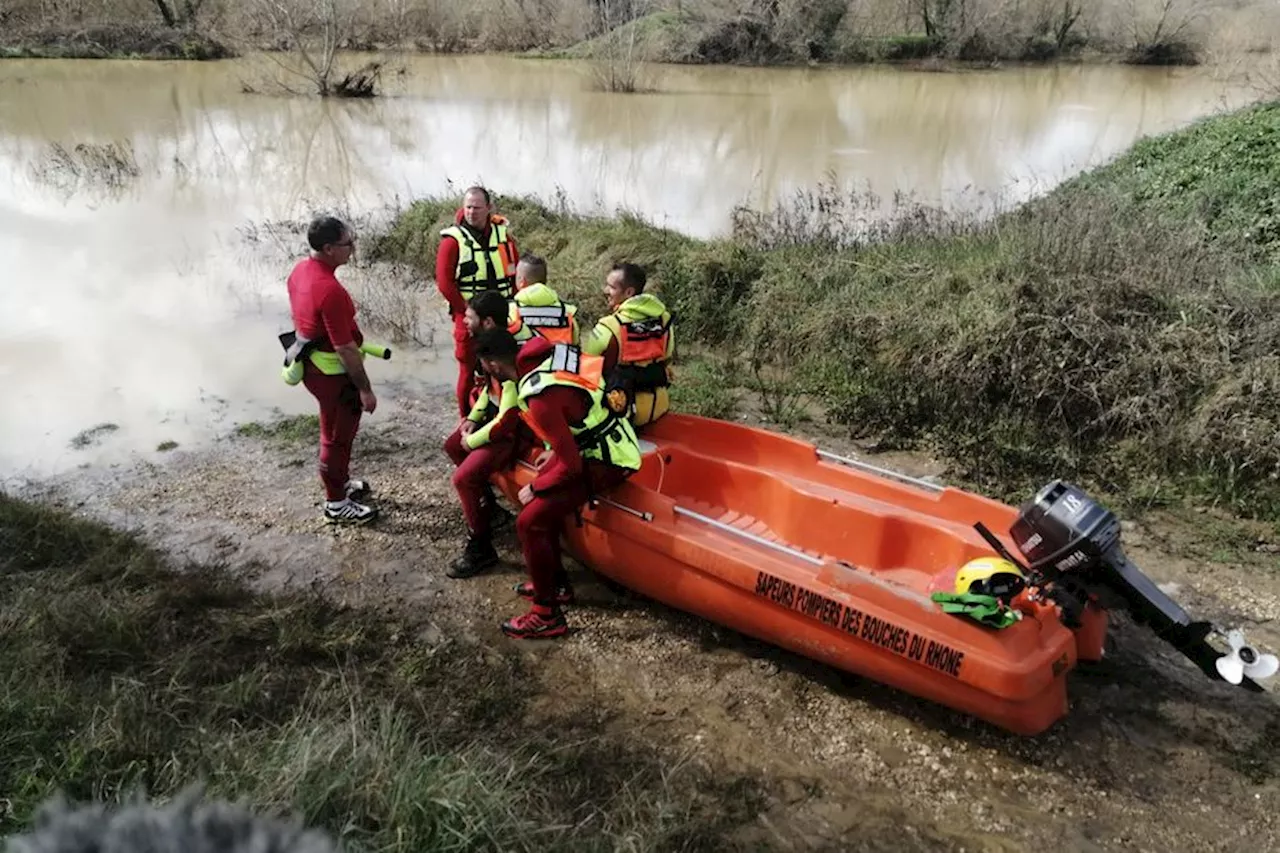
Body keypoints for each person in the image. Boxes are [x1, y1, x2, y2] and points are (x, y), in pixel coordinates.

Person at [474, 328, 643, 640]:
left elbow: (572, 465)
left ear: (493, 365)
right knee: (540, 510)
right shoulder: (548, 358)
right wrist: (553, 454)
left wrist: (538, 487)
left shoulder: (538, 396)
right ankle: (556, 584)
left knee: (529, 521)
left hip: (610, 458)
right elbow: (576, 416)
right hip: (603, 442)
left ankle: (546, 614)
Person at [286, 216, 378, 524]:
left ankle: (340, 482)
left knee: (334, 432)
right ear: (328, 249)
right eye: (347, 243)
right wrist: (365, 388)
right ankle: (336, 504)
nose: (352, 248)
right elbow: (345, 348)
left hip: (313, 368)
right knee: (336, 437)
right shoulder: (329, 290)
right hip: (333, 375)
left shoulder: (300, 271)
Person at [443, 290, 523, 579]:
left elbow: (508, 418)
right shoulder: (490, 348)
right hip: (494, 420)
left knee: (462, 479)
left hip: (514, 432)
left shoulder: (507, 357)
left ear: (487, 321)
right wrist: (472, 420)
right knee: (452, 446)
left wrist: (474, 439)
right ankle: (489, 509)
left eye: (470, 316)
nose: (464, 320)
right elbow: (489, 393)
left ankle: (481, 548)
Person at [436, 186, 519, 418]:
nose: (472, 212)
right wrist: (467, 313)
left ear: (489, 208)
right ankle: (465, 416)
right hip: (469, 315)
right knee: (467, 366)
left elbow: (515, 273)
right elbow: (444, 283)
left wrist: (513, 305)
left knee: (503, 363)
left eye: (477, 207)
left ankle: (502, 411)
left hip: (501, 313)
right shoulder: (452, 242)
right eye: (468, 207)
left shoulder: (504, 237)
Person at [580, 262, 675, 428]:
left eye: (611, 287)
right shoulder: (665, 320)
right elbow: (667, 358)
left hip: (620, 413)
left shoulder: (608, 327)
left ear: (629, 292)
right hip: (658, 408)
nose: (605, 291)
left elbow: (587, 373)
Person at [507, 254, 579, 346]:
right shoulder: (567, 312)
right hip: (560, 359)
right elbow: (575, 345)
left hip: (527, 359)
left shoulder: (512, 311)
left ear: (522, 282)